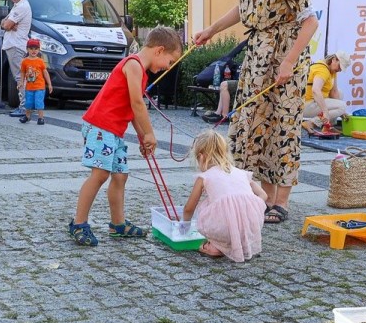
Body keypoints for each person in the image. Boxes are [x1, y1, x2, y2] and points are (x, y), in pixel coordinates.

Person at [192, 0, 318, 225]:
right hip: (258, 57)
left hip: (288, 55)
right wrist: (211, 30)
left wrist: (288, 61)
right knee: (253, 123)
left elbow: (310, 22)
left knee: (283, 125)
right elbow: (242, 9)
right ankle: (262, 195)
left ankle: (281, 201)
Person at [69, 26, 182, 247]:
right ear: (159, 50)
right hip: (101, 126)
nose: (167, 68)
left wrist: (141, 136)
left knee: (120, 176)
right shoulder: (133, 65)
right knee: (100, 175)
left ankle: (117, 224)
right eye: (170, 62)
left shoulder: (140, 71)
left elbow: (130, 111)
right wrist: (150, 133)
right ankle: (79, 223)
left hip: (114, 130)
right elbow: (137, 104)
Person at [181, 130, 267, 262]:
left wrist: (184, 226)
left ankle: (216, 245)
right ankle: (238, 242)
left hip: (223, 229)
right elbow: (263, 195)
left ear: (201, 156)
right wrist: (248, 209)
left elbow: (189, 208)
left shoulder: (204, 177)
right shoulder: (241, 173)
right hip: (250, 226)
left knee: (205, 206)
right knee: (223, 206)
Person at [1, 0, 33, 117]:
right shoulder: (18, 6)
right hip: (16, 44)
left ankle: (24, 106)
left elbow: (6, 24)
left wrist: (7, 24)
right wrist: (7, 24)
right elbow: (4, 22)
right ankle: (25, 105)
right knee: (21, 77)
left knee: (20, 77)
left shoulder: (21, 7)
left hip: (16, 45)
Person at [301, 51, 349, 132]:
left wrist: (341, 112)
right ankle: (311, 123)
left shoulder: (332, 70)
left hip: (313, 102)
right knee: (342, 106)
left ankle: (328, 126)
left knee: (340, 94)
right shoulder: (322, 70)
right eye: (340, 66)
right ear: (334, 60)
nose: (340, 70)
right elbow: (315, 90)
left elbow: (334, 92)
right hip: (306, 104)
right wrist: (325, 111)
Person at [18, 39, 51, 125]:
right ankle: (27, 116)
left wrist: (49, 84)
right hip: (29, 87)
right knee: (28, 102)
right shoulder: (24, 61)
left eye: (36, 49)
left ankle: (41, 118)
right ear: (27, 49)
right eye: (31, 48)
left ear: (39, 50)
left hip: (39, 86)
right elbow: (22, 72)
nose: (33, 51)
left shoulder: (40, 61)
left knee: (39, 102)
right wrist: (21, 82)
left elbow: (45, 72)